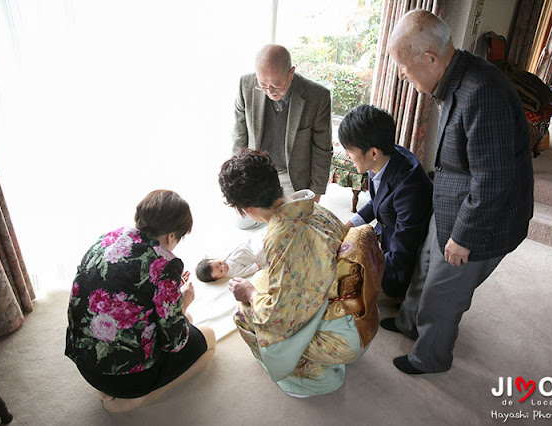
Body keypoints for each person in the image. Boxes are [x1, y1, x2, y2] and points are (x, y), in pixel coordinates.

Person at [381, 9, 534, 375]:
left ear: (430, 58)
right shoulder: (456, 75)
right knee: (425, 266)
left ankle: (430, 357)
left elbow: (494, 179)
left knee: (444, 292)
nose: (402, 75)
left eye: (404, 67)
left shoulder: (483, 92)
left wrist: (463, 237)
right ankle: (408, 323)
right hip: (453, 201)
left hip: (482, 220)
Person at [218, 149, 383, 397]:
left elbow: (279, 317)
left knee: (244, 314)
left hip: (345, 338)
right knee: (262, 277)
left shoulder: (282, 237)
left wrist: (250, 295)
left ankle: (314, 376)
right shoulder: (312, 207)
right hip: (361, 312)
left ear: (247, 209)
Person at [65, 190, 216, 412]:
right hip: (127, 378)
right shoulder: (165, 264)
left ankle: (110, 388)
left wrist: (172, 299)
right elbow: (174, 342)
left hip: (85, 363)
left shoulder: (108, 238)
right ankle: (139, 398)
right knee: (209, 338)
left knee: (186, 320)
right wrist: (182, 304)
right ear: (171, 236)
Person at [339, 105, 433, 299]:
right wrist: (347, 226)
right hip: (387, 236)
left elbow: (402, 254)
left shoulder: (410, 190)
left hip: (399, 264)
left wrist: (359, 270)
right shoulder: (386, 156)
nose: (346, 156)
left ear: (373, 153)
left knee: (341, 287)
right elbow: (378, 201)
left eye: (349, 150)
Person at [232, 44, 333, 207]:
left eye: (276, 84)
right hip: (257, 169)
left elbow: (322, 149)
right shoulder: (245, 84)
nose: (270, 91)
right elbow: (239, 135)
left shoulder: (318, 97)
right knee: (244, 222)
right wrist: (237, 176)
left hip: (291, 174)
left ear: (291, 73)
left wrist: (316, 193)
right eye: (263, 84)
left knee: (289, 222)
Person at [195, 238, 266, 282]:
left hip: (248, 245)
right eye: (221, 271)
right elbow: (244, 271)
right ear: (219, 278)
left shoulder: (218, 257)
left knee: (258, 239)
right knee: (262, 248)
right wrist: (255, 267)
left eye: (219, 263)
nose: (223, 266)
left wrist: (199, 268)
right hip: (254, 255)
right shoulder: (232, 271)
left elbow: (207, 257)